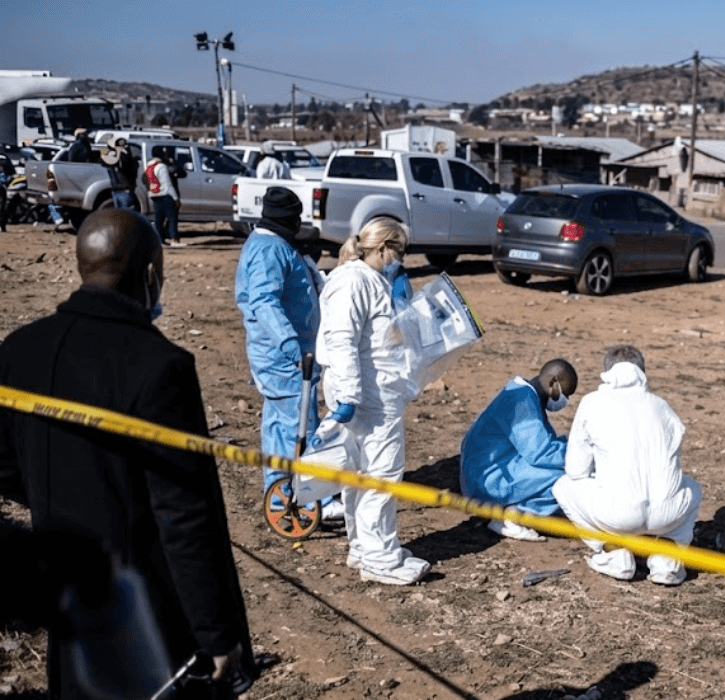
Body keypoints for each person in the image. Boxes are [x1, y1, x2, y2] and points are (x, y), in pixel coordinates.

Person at [0, 209, 256, 698]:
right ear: (150, 275)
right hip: (146, 605)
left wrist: (58, 502)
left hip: (67, 585)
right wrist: (217, 635)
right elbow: (183, 514)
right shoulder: (161, 367)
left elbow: (3, 464)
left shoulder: (19, 349)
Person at [316, 217, 430, 585]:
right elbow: (341, 340)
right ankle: (380, 558)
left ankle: (365, 547)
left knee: (360, 473)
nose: (403, 260)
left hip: (372, 392)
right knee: (381, 474)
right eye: (400, 251)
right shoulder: (351, 282)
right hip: (367, 396)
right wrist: (348, 396)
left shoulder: (368, 281)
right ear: (383, 249)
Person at [553, 345, 702, 586]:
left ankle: (614, 553)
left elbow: (576, 471)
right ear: (642, 372)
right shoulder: (663, 407)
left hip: (617, 516)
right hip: (667, 516)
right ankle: (667, 560)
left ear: (607, 372)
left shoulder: (592, 403)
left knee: (563, 486)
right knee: (693, 488)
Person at [234, 187, 341, 519]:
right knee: (300, 426)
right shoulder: (269, 251)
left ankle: (280, 491)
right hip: (284, 358)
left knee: (280, 427)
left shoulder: (271, 245)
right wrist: (291, 345)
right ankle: (307, 501)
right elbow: (264, 302)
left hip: (281, 356)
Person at [460, 359, 578, 541]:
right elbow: (541, 452)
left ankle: (512, 511)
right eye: (566, 394)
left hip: (495, 469)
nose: (565, 401)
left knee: (566, 468)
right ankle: (513, 516)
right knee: (567, 476)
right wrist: (581, 454)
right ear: (554, 383)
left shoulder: (525, 395)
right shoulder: (521, 401)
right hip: (488, 481)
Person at [145, 149, 182, 246]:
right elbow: (167, 184)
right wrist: (175, 197)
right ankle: (174, 239)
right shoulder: (161, 166)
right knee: (172, 218)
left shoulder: (149, 166)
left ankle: (159, 240)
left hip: (154, 195)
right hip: (165, 194)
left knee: (159, 219)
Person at [104, 137, 139, 211]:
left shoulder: (124, 158)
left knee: (123, 214)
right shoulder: (119, 158)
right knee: (125, 214)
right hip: (121, 189)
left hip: (120, 189)